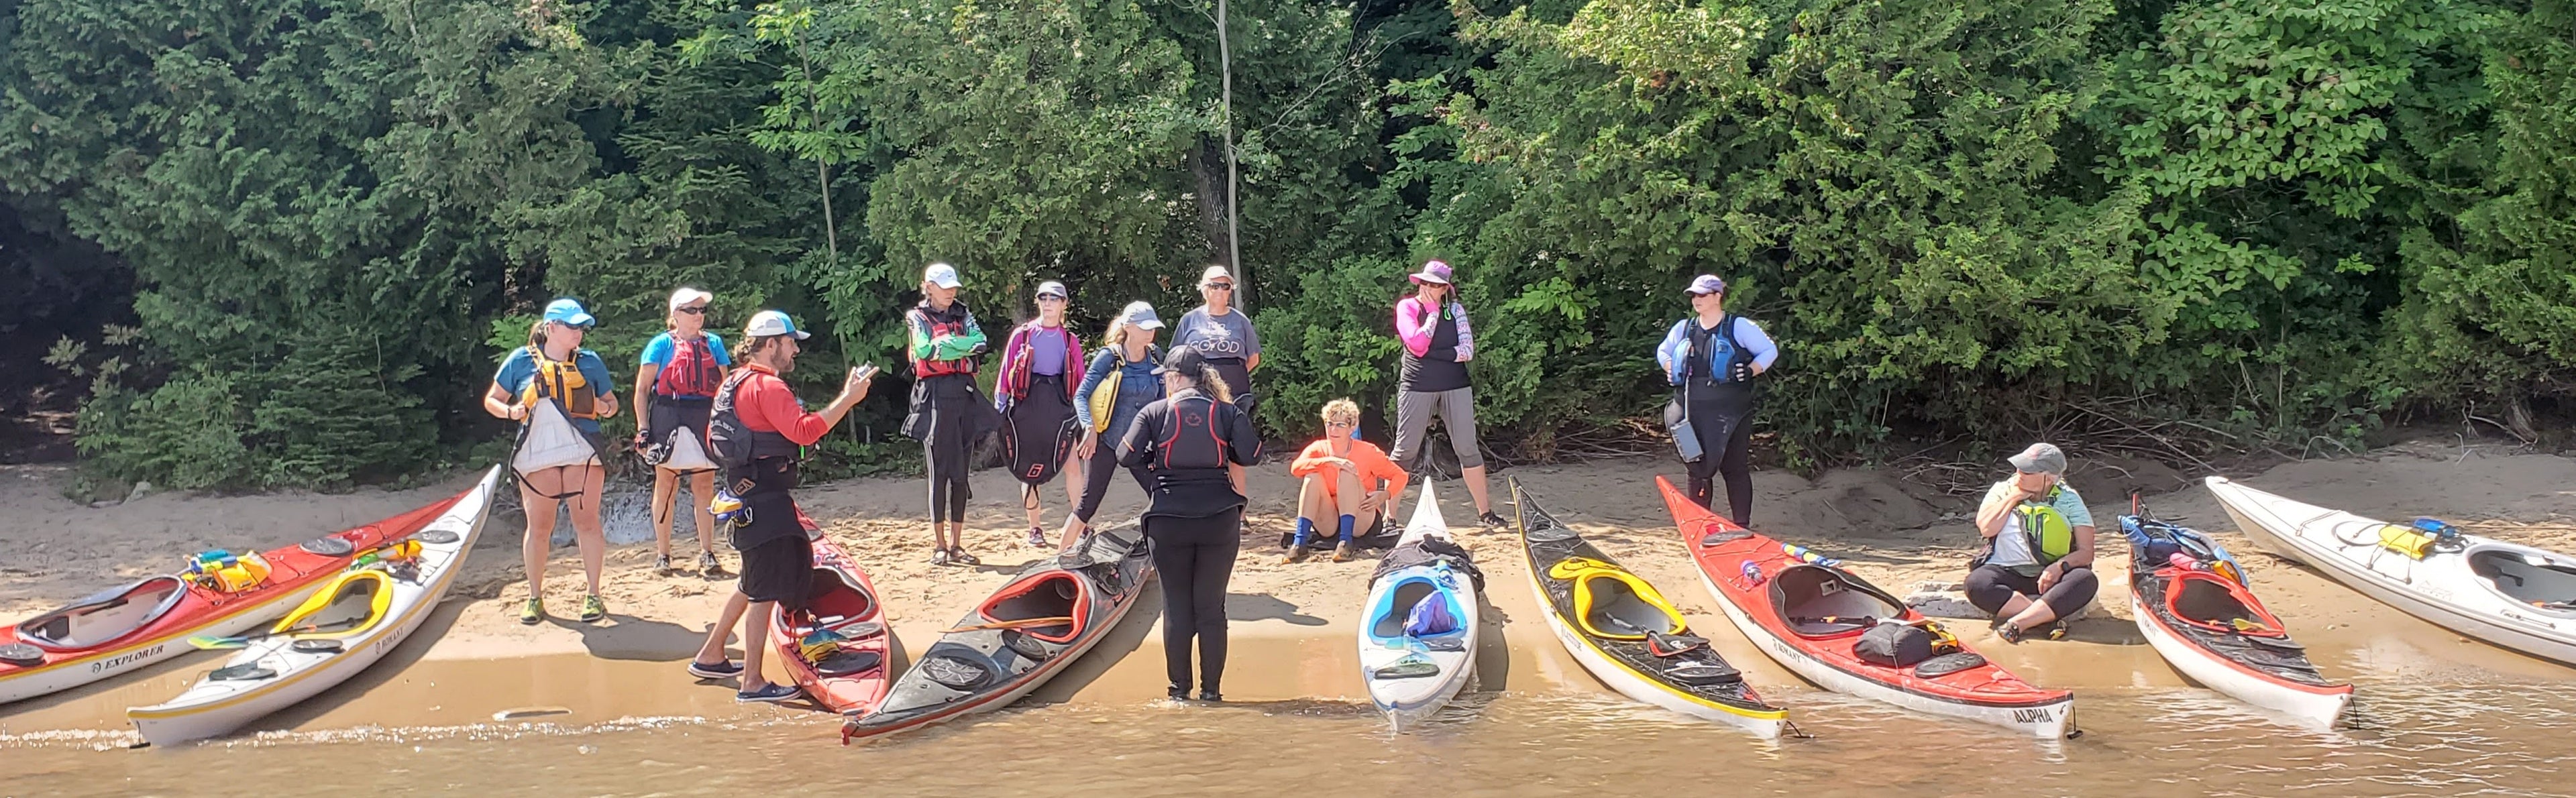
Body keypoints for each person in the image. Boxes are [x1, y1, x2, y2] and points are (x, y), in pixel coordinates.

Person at [686, 310, 875, 702]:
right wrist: (849, 398)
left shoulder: (732, 383)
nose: (795, 350)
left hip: (744, 496)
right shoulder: (768, 388)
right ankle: (752, 683)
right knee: (763, 590)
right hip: (765, 501)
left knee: (752, 579)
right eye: (790, 343)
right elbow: (804, 431)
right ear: (770, 345)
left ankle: (711, 654)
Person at [1118, 345, 1263, 702]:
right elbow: (1252, 456)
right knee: (1212, 609)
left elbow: (1124, 455)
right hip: (1218, 518)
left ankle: (1177, 694)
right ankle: (1212, 694)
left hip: (1168, 519)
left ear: (1172, 377)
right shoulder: (1226, 412)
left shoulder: (1155, 412)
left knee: (1177, 607)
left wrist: (1155, 467)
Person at [482, 298, 621, 625]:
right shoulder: (520, 360)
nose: (579, 333)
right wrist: (511, 412)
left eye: (581, 327)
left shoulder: (590, 362)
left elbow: (612, 404)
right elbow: (492, 400)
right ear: (552, 328)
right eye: (572, 326)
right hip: (537, 451)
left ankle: (594, 595)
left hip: (581, 450)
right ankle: (534, 597)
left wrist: (603, 408)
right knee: (539, 527)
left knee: (586, 523)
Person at [1654, 274, 1778, 526]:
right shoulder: (1684, 328)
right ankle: (1700, 524)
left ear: (1717, 296)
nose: (1696, 300)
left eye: (1702, 295)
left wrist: (1752, 369)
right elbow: (1663, 351)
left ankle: (1741, 526)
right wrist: (1670, 366)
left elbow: (1770, 351)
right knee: (1696, 468)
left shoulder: (1739, 326)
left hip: (1731, 411)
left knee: (1734, 468)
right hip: (1688, 413)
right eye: (1693, 296)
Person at [1388, 260, 1501, 528]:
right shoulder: (1408, 307)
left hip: (1455, 385)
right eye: (1426, 283)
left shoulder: (1457, 310)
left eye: (1436, 285)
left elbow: (1467, 351)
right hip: (1417, 385)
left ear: (1445, 289)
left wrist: (1434, 354)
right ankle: (1389, 517)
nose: (1429, 288)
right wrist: (1432, 314)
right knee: (1404, 452)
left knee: (1467, 448)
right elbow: (1416, 343)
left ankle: (1485, 513)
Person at [634, 287, 731, 575]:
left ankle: (707, 552)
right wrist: (643, 429)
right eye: (692, 310)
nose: (699, 315)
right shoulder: (660, 345)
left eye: (702, 310)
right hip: (668, 414)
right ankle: (663, 555)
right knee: (666, 483)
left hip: (704, 415)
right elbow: (641, 390)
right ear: (676, 314)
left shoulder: (714, 344)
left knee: (704, 485)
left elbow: (725, 389)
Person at [902, 262, 991, 566]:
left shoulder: (963, 315)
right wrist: (956, 347)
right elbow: (925, 351)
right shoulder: (917, 317)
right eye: (945, 286)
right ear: (929, 287)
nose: (951, 291)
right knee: (938, 474)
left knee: (961, 475)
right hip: (934, 398)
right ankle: (939, 545)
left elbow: (980, 343)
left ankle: (957, 545)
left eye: (954, 286)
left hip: (963, 395)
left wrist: (948, 345)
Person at [1966, 443, 2100, 643]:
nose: (2019, 473)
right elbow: (1987, 528)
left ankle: (2018, 624)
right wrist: (2015, 497)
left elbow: (2086, 552)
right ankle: (2046, 618)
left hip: (2051, 577)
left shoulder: (2070, 500)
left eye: (2027, 471)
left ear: (2049, 477)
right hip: (2007, 571)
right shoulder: (2002, 491)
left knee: (2085, 580)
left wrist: (2058, 567)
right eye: (2019, 467)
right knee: (1977, 584)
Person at [1061, 301, 1165, 548]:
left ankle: (1163, 553)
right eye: (1145, 327)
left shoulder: (1156, 357)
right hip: (1107, 442)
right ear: (1129, 327)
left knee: (1162, 497)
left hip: (1139, 445)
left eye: (1153, 328)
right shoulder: (1109, 357)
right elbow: (1081, 395)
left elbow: (1163, 401)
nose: (1151, 332)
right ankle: (1059, 559)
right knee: (1087, 505)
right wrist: (1089, 428)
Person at [995, 281, 1086, 549]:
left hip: (1059, 406)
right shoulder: (1022, 335)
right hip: (1026, 406)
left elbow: (1080, 382)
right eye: (1043, 297)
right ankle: (1035, 528)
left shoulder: (1070, 340)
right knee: (1028, 470)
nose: (1048, 303)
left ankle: (1081, 524)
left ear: (1063, 304)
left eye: (1055, 298)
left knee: (1073, 465)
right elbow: (1005, 374)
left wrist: (1085, 418)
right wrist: (1000, 408)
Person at [1285, 398, 1409, 563]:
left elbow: (1400, 476)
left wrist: (1385, 495)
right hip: (1329, 520)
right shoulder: (1319, 448)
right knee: (1312, 477)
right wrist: (1329, 461)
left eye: (1340, 425)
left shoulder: (1367, 451)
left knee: (1347, 471)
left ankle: (1346, 542)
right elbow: (1296, 468)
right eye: (1330, 424)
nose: (1333, 429)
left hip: (1362, 518)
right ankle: (1300, 543)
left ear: (1352, 428)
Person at [1169, 266, 1260, 405]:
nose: (1220, 290)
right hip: (1198, 391)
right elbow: (1176, 359)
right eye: (1214, 286)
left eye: (1225, 286)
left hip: (1234, 393)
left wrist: (1230, 376)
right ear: (1203, 289)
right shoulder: (1189, 320)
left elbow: (1254, 358)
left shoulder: (1242, 321)